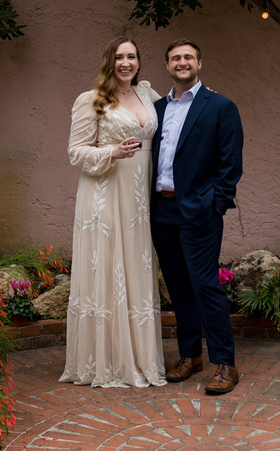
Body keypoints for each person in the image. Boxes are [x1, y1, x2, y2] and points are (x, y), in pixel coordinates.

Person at [59, 36, 167, 388]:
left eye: (132, 56)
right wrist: (110, 153)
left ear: (139, 61)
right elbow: (75, 152)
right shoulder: (92, 101)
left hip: (139, 198)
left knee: (135, 266)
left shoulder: (148, 96)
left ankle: (138, 356)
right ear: (109, 61)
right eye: (119, 57)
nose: (126, 63)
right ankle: (104, 361)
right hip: (104, 193)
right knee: (107, 267)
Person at [151, 38, 244, 395]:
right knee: (177, 287)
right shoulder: (157, 109)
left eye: (188, 56)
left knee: (205, 285)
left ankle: (225, 364)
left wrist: (217, 203)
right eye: (175, 57)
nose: (182, 62)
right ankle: (190, 356)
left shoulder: (220, 107)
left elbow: (230, 164)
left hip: (200, 211)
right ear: (168, 65)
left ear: (199, 64)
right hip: (161, 209)